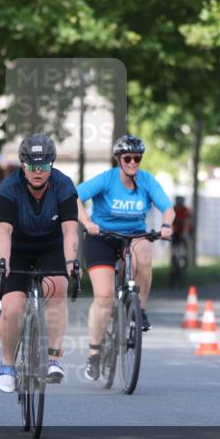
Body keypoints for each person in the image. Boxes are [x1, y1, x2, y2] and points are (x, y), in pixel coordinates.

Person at [76, 134, 174, 381]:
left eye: (137, 158)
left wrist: (167, 225)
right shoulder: (107, 179)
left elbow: (168, 208)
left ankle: (139, 310)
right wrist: (87, 222)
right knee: (104, 296)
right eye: (128, 158)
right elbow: (74, 196)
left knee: (145, 253)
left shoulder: (147, 181)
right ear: (118, 159)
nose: (133, 162)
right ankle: (94, 354)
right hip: (102, 237)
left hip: (134, 236)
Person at [0, 134, 79, 393]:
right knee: (12, 307)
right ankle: (8, 364)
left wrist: (73, 261)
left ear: (51, 165)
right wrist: (3, 262)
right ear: (23, 165)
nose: (38, 172)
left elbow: (70, 231)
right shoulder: (9, 188)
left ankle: (54, 359)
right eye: (33, 166)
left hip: (49, 248)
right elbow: (4, 232)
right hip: (16, 249)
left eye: (44, 166)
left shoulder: (64, 186)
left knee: (58, 287)